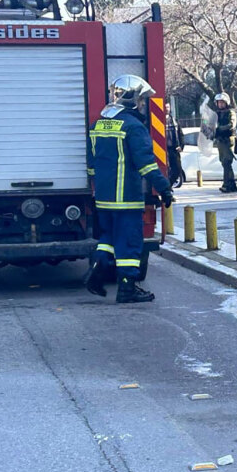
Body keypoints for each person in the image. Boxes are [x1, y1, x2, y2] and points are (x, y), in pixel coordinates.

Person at [84, 75, 173, 304]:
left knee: (108, 238)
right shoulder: (133, 127)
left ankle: (96, 272)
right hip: (126, 198)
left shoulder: (98, 125)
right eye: (142, 99)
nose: (143, 104)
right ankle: (127, 290)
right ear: (131, 99)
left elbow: (91, 165)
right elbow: (147, 165)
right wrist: (164, 188)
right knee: (129, 243)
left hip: (103, 198)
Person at [213, 93, 237, 193]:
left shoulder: (230, 113)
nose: (220, 104)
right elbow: (209, 123)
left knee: (227, 162)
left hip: (228, 140)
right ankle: (232, 184)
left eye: (222, 102)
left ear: (226, 102)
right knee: (224, 163)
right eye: (219, 102)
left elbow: (231, 125)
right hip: (220, 140)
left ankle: (227, 184)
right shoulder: (217, 113)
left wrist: (220, 129)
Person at [165, 102, 184, 187]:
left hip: (174, 149)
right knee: (166, 170)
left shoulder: (174, 120)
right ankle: (167, 189)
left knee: (177, 170)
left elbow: (181, 134)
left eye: (168, 107)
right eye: (165, 107)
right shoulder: (158, 120)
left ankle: (168, 186)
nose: (167, 109)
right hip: (164, 149)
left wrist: (181, 146)